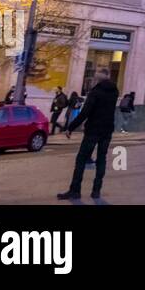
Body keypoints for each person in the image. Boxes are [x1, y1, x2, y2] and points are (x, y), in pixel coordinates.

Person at [57, 68, 119, 200]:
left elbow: (85, 112)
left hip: (93, 130)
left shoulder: (95, 92)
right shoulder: (114, 91)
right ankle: (96, 191)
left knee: (81, 159)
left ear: (97, 79)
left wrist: (70, 127)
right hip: (107, 130)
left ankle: (75, 190)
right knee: (101, 159)